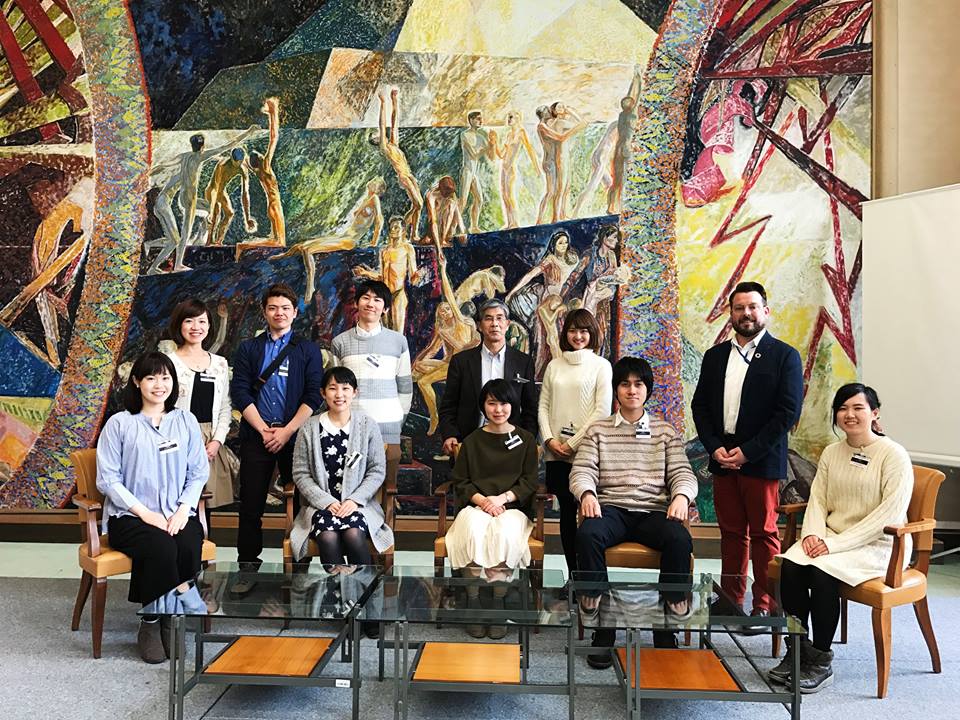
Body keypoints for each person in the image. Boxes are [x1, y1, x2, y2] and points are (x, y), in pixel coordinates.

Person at [770, 383, 912, 693]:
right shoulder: (833, 452)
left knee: (822, 573)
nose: (849, 414)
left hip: (878, 543)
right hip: (831, 537)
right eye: (843, 408)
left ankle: (821, 660)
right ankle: (799, 648)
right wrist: (811, 535)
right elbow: (817, 499)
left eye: (858, 408)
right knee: (791, 567)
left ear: (874, 414)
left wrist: (832, 545)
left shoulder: (894, 455)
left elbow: (887, 517)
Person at [571, 356, 698, 665]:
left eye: (638, 384)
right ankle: (601, 625)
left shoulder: (665, 431)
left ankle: (667, 624)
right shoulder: (598, 430)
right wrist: (587, 493)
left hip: (653, 511)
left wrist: (681, 496)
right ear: (616, 390)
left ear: (647, 389)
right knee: (588, 534)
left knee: (679, 539)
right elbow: (581, 470)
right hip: (612, 508)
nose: (631, 390)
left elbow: (683, 473)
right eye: (624, 384)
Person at [691, 281, 803, 626]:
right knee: (731, 533)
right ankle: (730, 599)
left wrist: (748, 452)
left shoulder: (784, 356)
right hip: (723, 458)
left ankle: (764, 604)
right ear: (731, 314)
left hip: (761, 460)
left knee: (764, 534)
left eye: (753, 307)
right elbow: (700, 407)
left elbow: (787, 413)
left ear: (765, 312)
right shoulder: (715, 356)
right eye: (739, 308)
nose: (746, 314)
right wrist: (716, 448)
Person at [96, 352, 209, 663]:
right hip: (130, 517)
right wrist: (145, 513)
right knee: (161, 547)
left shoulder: (184, 421)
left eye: (165, 378)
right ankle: (150, 622)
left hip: (177, 511)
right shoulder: (119, 424)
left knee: (187, 543)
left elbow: (199, 472)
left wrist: (182, 509)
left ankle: (172, 620)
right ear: (137, 382)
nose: (159, 385)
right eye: (151, 378)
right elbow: (107, 479)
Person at [231, 283, 324, 588]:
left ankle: (299, 570)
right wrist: (263, 430)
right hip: (257, 434)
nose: (279, 313)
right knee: (250, 505)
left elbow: (313, 395)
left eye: (285, 308)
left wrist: (286, 432)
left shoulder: (307, 350)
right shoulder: (249, 349)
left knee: (300, 502)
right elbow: (240, 393)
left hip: (293, 435)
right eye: (273, 307)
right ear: (264, 312)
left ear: (295, 313)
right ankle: (247, 568)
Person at [445, 378, 539, 638]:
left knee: (504, 534)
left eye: (504, 403)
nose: (498, 409)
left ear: (513, 405)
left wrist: (502, 498)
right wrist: (484, 501)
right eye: (492, 403)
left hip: (512, 508)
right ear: (483, 406)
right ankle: (473, 601)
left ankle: (498, 601)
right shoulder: (472, 441)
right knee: (473, 531)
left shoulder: (526, 439)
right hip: (477, 505)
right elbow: (461, 481)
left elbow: (530, 481)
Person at [289, 366, 394, 568]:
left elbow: (377, 470)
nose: (339, 395)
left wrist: (354, 500)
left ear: (355, 392)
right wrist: (326, 502)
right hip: (321, 507)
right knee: (327, 537)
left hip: (359, 506)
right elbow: (301, 473)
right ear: (323, 392)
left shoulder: (367, 426)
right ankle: (336, 594)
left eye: (345, 388)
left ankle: (363, 593)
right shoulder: (309, 428)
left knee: (354, 534)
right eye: (332, 388)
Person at [538, 309, 612, 574]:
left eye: (584, 331)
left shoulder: (601, 366)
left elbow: (601, 412)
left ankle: (592, 577)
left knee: (589, 513)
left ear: (592, 333)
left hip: (588, 453)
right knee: (567, 515)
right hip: (555, 454)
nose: (578, 336)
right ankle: (573, 577)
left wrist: (573, 444)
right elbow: (543, 406)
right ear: (565, 333)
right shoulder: (554, 365)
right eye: (572, 330)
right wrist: (549, 439)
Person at [331, 280, 413, 504]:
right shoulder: (340, 342)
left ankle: (386, 538)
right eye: (366, 298)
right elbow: (335, 389)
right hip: (351, 430)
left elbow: (405, 386)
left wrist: (398, 421)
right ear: (357, 303)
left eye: (378, 300)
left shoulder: (398, 341)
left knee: (388, 493)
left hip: (389, 430)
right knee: (352, 494)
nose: (371, 303)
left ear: (385, 308)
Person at [437, 298, 538, 457]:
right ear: (479, 325)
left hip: (512, 446)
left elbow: (530, 408)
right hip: (468, 443)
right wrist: (450, 435)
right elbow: (448, 406)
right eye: (488, 318)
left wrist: (526, 439)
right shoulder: (461, 362)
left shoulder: (523, 362)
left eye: (499, 318)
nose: (494, 323)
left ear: (507, 324)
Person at [164, 299, 237, 515]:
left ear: (209, 326)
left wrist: (216, 441)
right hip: (177, 440)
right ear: (179, 325)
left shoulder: (219, 363)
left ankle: (202, 548)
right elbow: (161, 407)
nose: (196, 327)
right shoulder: (168, 362)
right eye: (189, 321)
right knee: (177, 504)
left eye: (202, 321)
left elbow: (225, 406)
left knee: (207, 506)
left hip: (209, 443)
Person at [271, 178, 386, 302]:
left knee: (308, 250)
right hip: (343, 236)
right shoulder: (366, 199)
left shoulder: (374, 199)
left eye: (375, 182)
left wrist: (374, 242)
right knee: (302, 245)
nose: (371, 181)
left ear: (378, 188)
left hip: (349, 240)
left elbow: (380, 220)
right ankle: (284, 255)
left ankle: (311, 287)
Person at [411, 247, 480, 437]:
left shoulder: (461, 322)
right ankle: (418, 411)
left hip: (461, 366)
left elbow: (448, 294)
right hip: (448, 364)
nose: (444, 311)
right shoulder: (442, 329)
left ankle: (435, 418)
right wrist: (418, 361)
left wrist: (443, 269)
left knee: (424, 382)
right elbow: (432, 349)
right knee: (417, 370)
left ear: (453, 310)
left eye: (447, 309)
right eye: (441, 310)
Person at [506, 229, 580, 376]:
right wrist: (512, 292)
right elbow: (530, 275)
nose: (564, 246)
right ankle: (544, 373)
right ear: (553, 245)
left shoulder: (573, 258)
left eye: (566, 242)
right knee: (547, 339)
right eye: (560, 243)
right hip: (549, 301)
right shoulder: (550, 260)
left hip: (564, 299)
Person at [353, 216, 420, 332]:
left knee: (398, 333)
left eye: (396, 228)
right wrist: (365, 273)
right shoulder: (384, 250)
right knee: (384, 332)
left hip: (398, 294)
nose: (393, 230)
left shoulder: (407, 248)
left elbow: (413, 277)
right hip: (383, 295)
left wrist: (417, 276)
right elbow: (382, 277)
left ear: (403, 231)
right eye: (391, 227)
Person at [373, 88, 423, 238]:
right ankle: (406, 228)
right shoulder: (385, 147)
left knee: (418, 205)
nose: (380, 134)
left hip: (409, 174)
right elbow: (383, 125)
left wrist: (395, 100)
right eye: (376, 136)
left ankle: (413, 232)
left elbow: (395, 123)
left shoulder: (394, 144)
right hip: (403, 176)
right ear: (376, 140)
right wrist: (383, 102)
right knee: (418, 204)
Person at [492, 110, 540, 229]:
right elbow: (501, 155)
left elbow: (530, 150)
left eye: (511, 117)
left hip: (510, 168)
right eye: (508, 117)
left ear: (518, 119)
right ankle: (509, 222)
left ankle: (515, 223)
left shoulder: (521, 132)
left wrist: (537, 167)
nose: (509, 119)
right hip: (503, 167)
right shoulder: (508, 135)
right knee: (504, 195)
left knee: (509, 196)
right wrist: (494, 143)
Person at [459, 110, 496, 233]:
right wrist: (486, 147)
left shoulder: (481, 137)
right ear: (471, 120)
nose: (481, 121)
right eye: (478, 119)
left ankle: (473, 226)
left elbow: (491, 156)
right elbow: (474, 154)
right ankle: (452, 227)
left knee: (479, 199)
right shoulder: (465, 135)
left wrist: (492, 143)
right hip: (467, 171)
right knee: (463, 201)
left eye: (481, 118)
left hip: (474, 173)